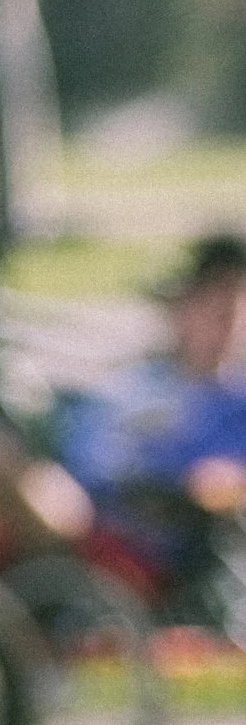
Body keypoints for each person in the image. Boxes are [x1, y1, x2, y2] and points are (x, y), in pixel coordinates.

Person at [59, 233, 246, 588]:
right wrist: (168, 478)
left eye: (235, 311)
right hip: (125, 526)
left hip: (204, 550)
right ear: (183, 311)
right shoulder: (140, 387)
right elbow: (89, 459)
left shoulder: (239, 398)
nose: (228, 326)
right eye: (216, 309)